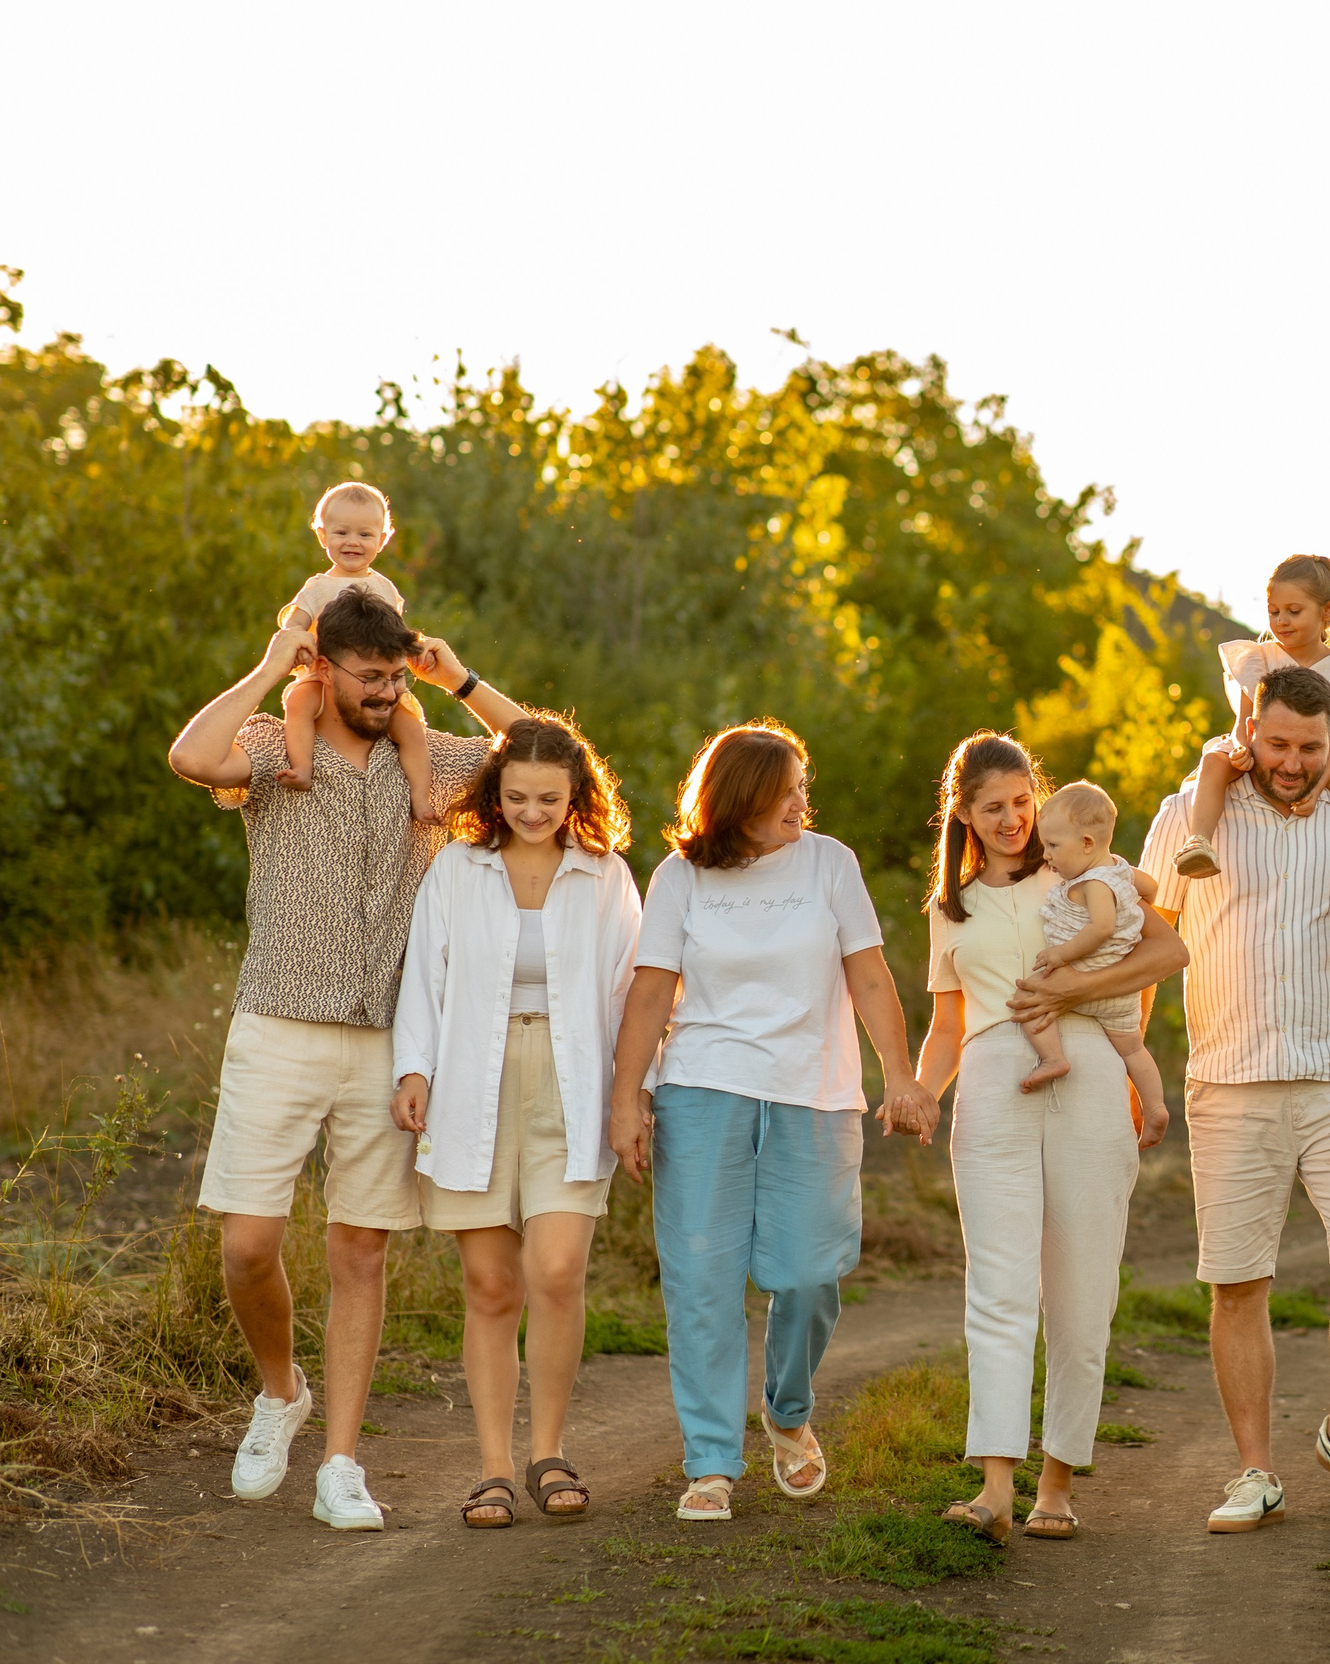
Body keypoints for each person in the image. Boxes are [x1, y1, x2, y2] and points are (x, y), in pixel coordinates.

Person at [167, 589, 531, 1531]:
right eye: (369, 677)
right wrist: (270, 660)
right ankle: (281, 1390)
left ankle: (340, 1460)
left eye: (396, 677)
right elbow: (187, 756)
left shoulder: (432, 757)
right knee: (248, 1245)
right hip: (277, 1025)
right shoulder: (271, 746)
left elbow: (545, 762)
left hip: (389, 1040)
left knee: (359, 1250)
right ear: (324, 669)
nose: (385, 693)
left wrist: (463, 683)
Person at [1137, 664, 1330, 1535]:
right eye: (1277, 743)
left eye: (1312, 746)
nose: (1294, 761)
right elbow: (1146, 933)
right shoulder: (1187, 814)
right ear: (1248, 726)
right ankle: (1254, 1470)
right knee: (1238, 1284)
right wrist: (1131, 1062)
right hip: (1228, 1082)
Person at [605, 722, 932, 1523]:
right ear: (740, 797)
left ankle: (787, 1409)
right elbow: (651, 991)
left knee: (811, 1271)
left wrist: (903, 1073)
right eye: (786, 788)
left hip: (812, 1091)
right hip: (703, 1085)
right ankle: (712, 1461)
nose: (801, 800)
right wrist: (627, 1096)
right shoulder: (681, 876)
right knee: (702, 1281)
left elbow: (869, 974)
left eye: (802, 785)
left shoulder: (831, 862)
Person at [907, 734, 1188, 1545]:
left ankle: (1057, 1481)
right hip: (994, 1081)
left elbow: (1166, 941)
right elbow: (948, 1025)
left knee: (1082, 1285)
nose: (1012, 818)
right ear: (963, 814)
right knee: (996, 1285)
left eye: (1023, 800)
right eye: (992, 806)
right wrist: (922, 1093)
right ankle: (996, 1483)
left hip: (1091, 1069)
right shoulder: (949, 906)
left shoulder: (1082, 868)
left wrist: (1075, 983)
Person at [391, 715, 642, 1528]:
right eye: (517, 797)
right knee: (492, 1285)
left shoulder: (604, 877)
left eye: (550, 798)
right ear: (494, 797)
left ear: (576, 797)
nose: (533, 811)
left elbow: (635, 991)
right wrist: (414, 1069)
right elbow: (424, 976)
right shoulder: (458, 869)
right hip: (473, 1081)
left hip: (573, 1085)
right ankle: (495, 1466)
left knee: (558, 1270)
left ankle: (550, 1449)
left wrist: (632, 1094)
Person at [1169, 554, 1330, 944]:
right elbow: (1246, 722)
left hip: (1319, 760)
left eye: (1294, 611)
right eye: (1274, 611)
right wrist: (1242, 750)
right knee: (1213, 761)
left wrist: (1315, 787)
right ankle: (1200, 843)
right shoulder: (1260, 658)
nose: (1281, 621)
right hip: (1262, 752)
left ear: (1328, 612)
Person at [274, 481, 438, 821]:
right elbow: (294, 623)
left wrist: (416, 649)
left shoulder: (383, 587)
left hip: (378, 680)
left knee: (411, 728)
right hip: (324, 674)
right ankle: (303, 766)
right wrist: (298, 642)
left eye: (365, 535)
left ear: (382, 539)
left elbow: (395, 633)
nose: (352, 542)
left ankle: (421, 798)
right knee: (297, 703)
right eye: (341, 532)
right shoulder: (318, 587)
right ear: (322, 536)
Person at [1019, 780, 1169, 1122]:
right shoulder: (1117, 869)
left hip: (1085, 973)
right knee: (1132, 1049)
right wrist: (1130, 888)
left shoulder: (1094, 884)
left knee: (1027, 997)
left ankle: (1054, 1059)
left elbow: (1100, 928)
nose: (1046, 855)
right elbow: (1152, 887)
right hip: (1120, 995)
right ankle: (1157, 1107)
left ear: (1087, 844)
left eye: (1053, 846)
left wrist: (1063, 954)